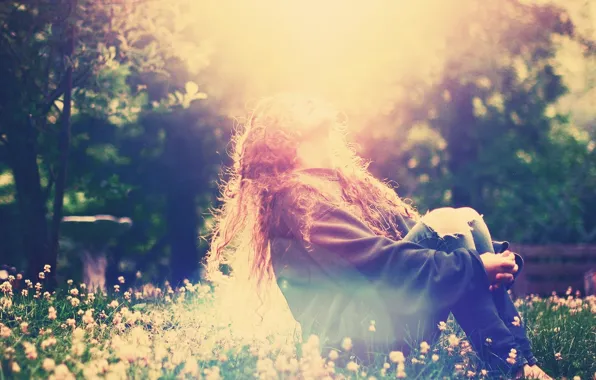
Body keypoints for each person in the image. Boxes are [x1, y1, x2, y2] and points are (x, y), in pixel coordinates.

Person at [205, 94, 552, 379]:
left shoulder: (345, 185)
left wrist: (493, 260)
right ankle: (514, 368)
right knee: (448, 223)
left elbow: (430, 241)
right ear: (284, 135)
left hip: (386, 313)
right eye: (297, 104)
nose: (308, 97)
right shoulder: (295, 199)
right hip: (358, 340)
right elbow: (386, 263)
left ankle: (522, 364)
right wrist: (476, 267)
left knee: (465, 220)